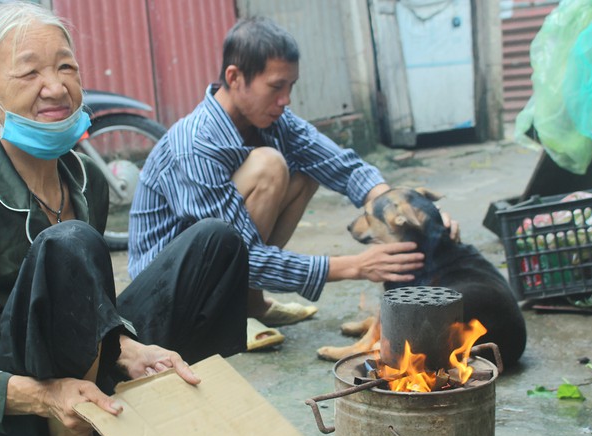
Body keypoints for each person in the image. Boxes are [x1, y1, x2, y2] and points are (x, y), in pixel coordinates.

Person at [0, 3, 248, 436]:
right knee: (70, 243)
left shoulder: (85, 182)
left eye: (66, 66)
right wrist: (46, 396)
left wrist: (126, 347)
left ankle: (153, 425)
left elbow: (81, 305)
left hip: (82, 394)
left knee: (216, 244)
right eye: (30, 71)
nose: (57, 86)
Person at [128, 17, 457, 335]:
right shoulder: (195, 144)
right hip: (168, 294)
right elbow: (244, 255)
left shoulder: (276, 120)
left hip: (214, 267)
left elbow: (345, 167)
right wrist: (353, 266)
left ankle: (249, 304)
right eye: (276, 87)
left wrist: (415, 213)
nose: (285, 100)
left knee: (306, 173)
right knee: (269, 165)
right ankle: (230, 311)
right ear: (235, 77)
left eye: (290, 86)